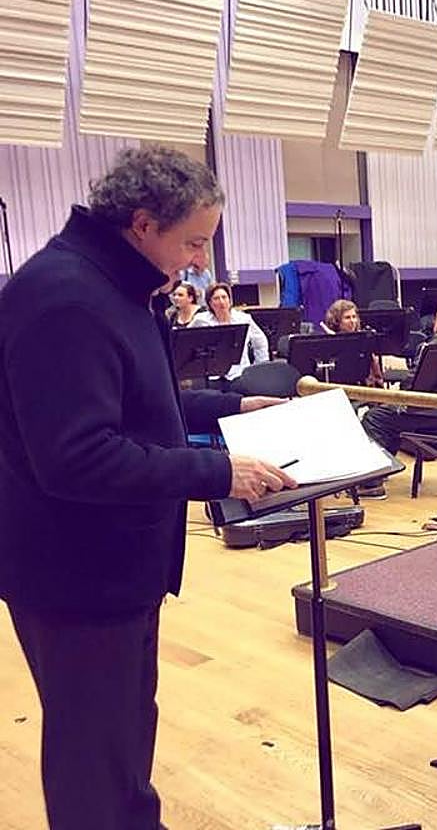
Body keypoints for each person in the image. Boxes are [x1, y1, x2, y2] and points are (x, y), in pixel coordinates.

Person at [0, 145, 296, 830]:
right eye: (193, 241)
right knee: (91, 756)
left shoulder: (115, 286)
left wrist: (230, 409)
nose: (200, 260)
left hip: (117, 569)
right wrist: (219, 472)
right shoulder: (65, 299)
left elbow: (140, 407)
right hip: (74, 577)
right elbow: (77, 457)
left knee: (125, 736)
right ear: (141, 224)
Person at [357, 303, 437, 498]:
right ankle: (383, 466)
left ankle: (371, 483)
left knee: (376, 417)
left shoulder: (434, 345)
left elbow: (413, 386)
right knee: (390, 414)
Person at [190, 281, 269, 379]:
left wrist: (259, 368)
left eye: (224, 297)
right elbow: (187, 341)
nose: (222, 302)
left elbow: (260, 342)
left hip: (240, 374)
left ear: (230, 300)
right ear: (210, 303)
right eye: (216, 298)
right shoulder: (200, 320)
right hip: (212, 376)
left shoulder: (244, 319)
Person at [321, 298, 383, 387]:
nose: (352, 321)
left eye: (354, 317)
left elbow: (374, 375)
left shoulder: (363, 340)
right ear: (336, 321)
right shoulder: (328, 342)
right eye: (347, 318)